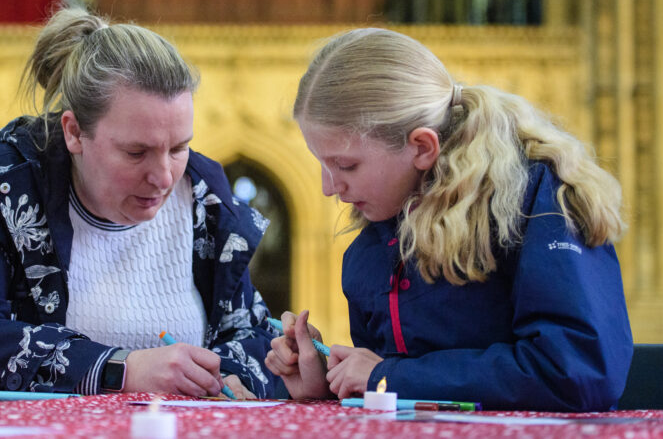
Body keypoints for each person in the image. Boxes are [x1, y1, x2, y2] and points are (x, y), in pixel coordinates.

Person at [0, 7, 279, 398]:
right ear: (73, 133)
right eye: (136, 152)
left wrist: (241, 372)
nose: (164, 177)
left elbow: (249, 334)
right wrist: (121, 369)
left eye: (178, 147)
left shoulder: (204, 195)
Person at [265, 27, 633, 411]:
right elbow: (395, 396)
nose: (329, 187)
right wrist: (327, 384)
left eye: (345, 165)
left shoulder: (537, 199)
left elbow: (579, 371)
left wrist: (389, 378)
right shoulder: (369, 251)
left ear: (422, 147)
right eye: (321, 163)